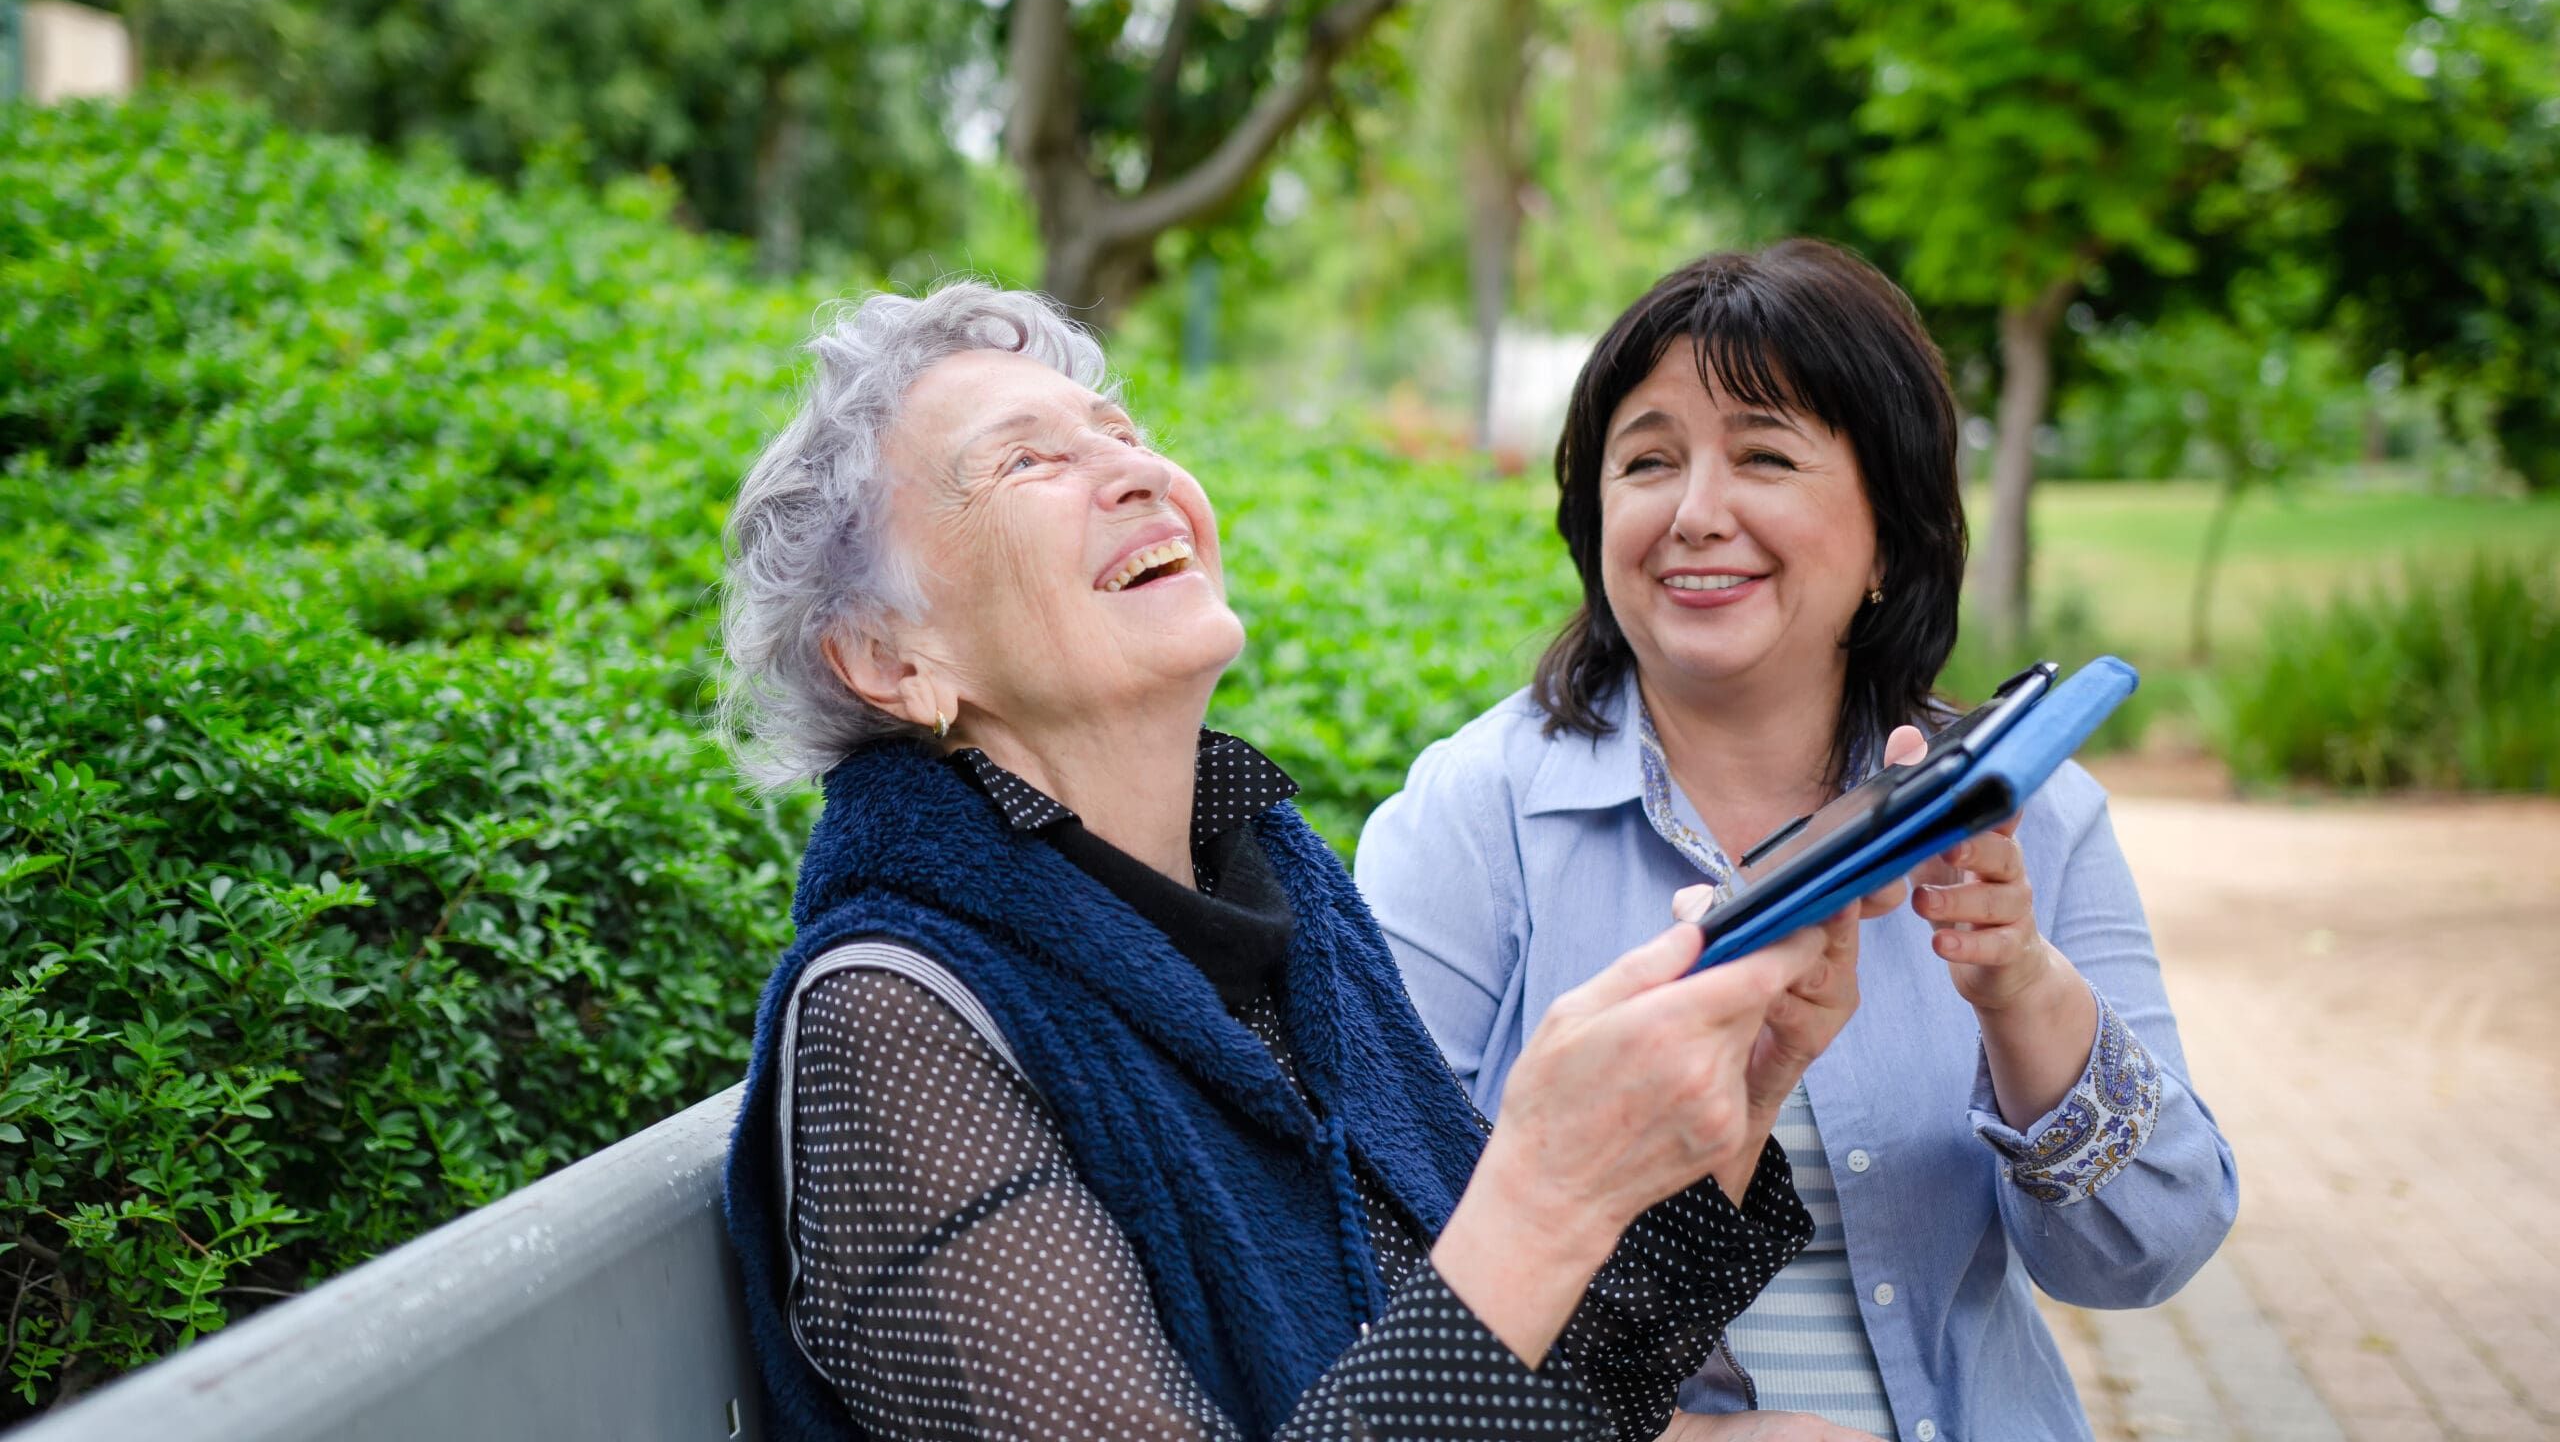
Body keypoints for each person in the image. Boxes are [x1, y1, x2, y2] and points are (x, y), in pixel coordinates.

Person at [716, 280, 1900, 1442]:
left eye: (1121, 433)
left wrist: (1740, 1086)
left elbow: (1558, 1390)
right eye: (1026, 461)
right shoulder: (891, 1023)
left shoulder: (1279, 896)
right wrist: (1544, 1194)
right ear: (887, 659)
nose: (1139, 470)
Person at [1356, 242, 2239, 1442]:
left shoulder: (2033, 808)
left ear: (1888, 531)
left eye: (1765, 455)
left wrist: (2017, 983)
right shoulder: (1475, 812)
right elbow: (1369, 1257)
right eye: (1647, 461)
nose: (1693, 513)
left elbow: (2146, 1253)